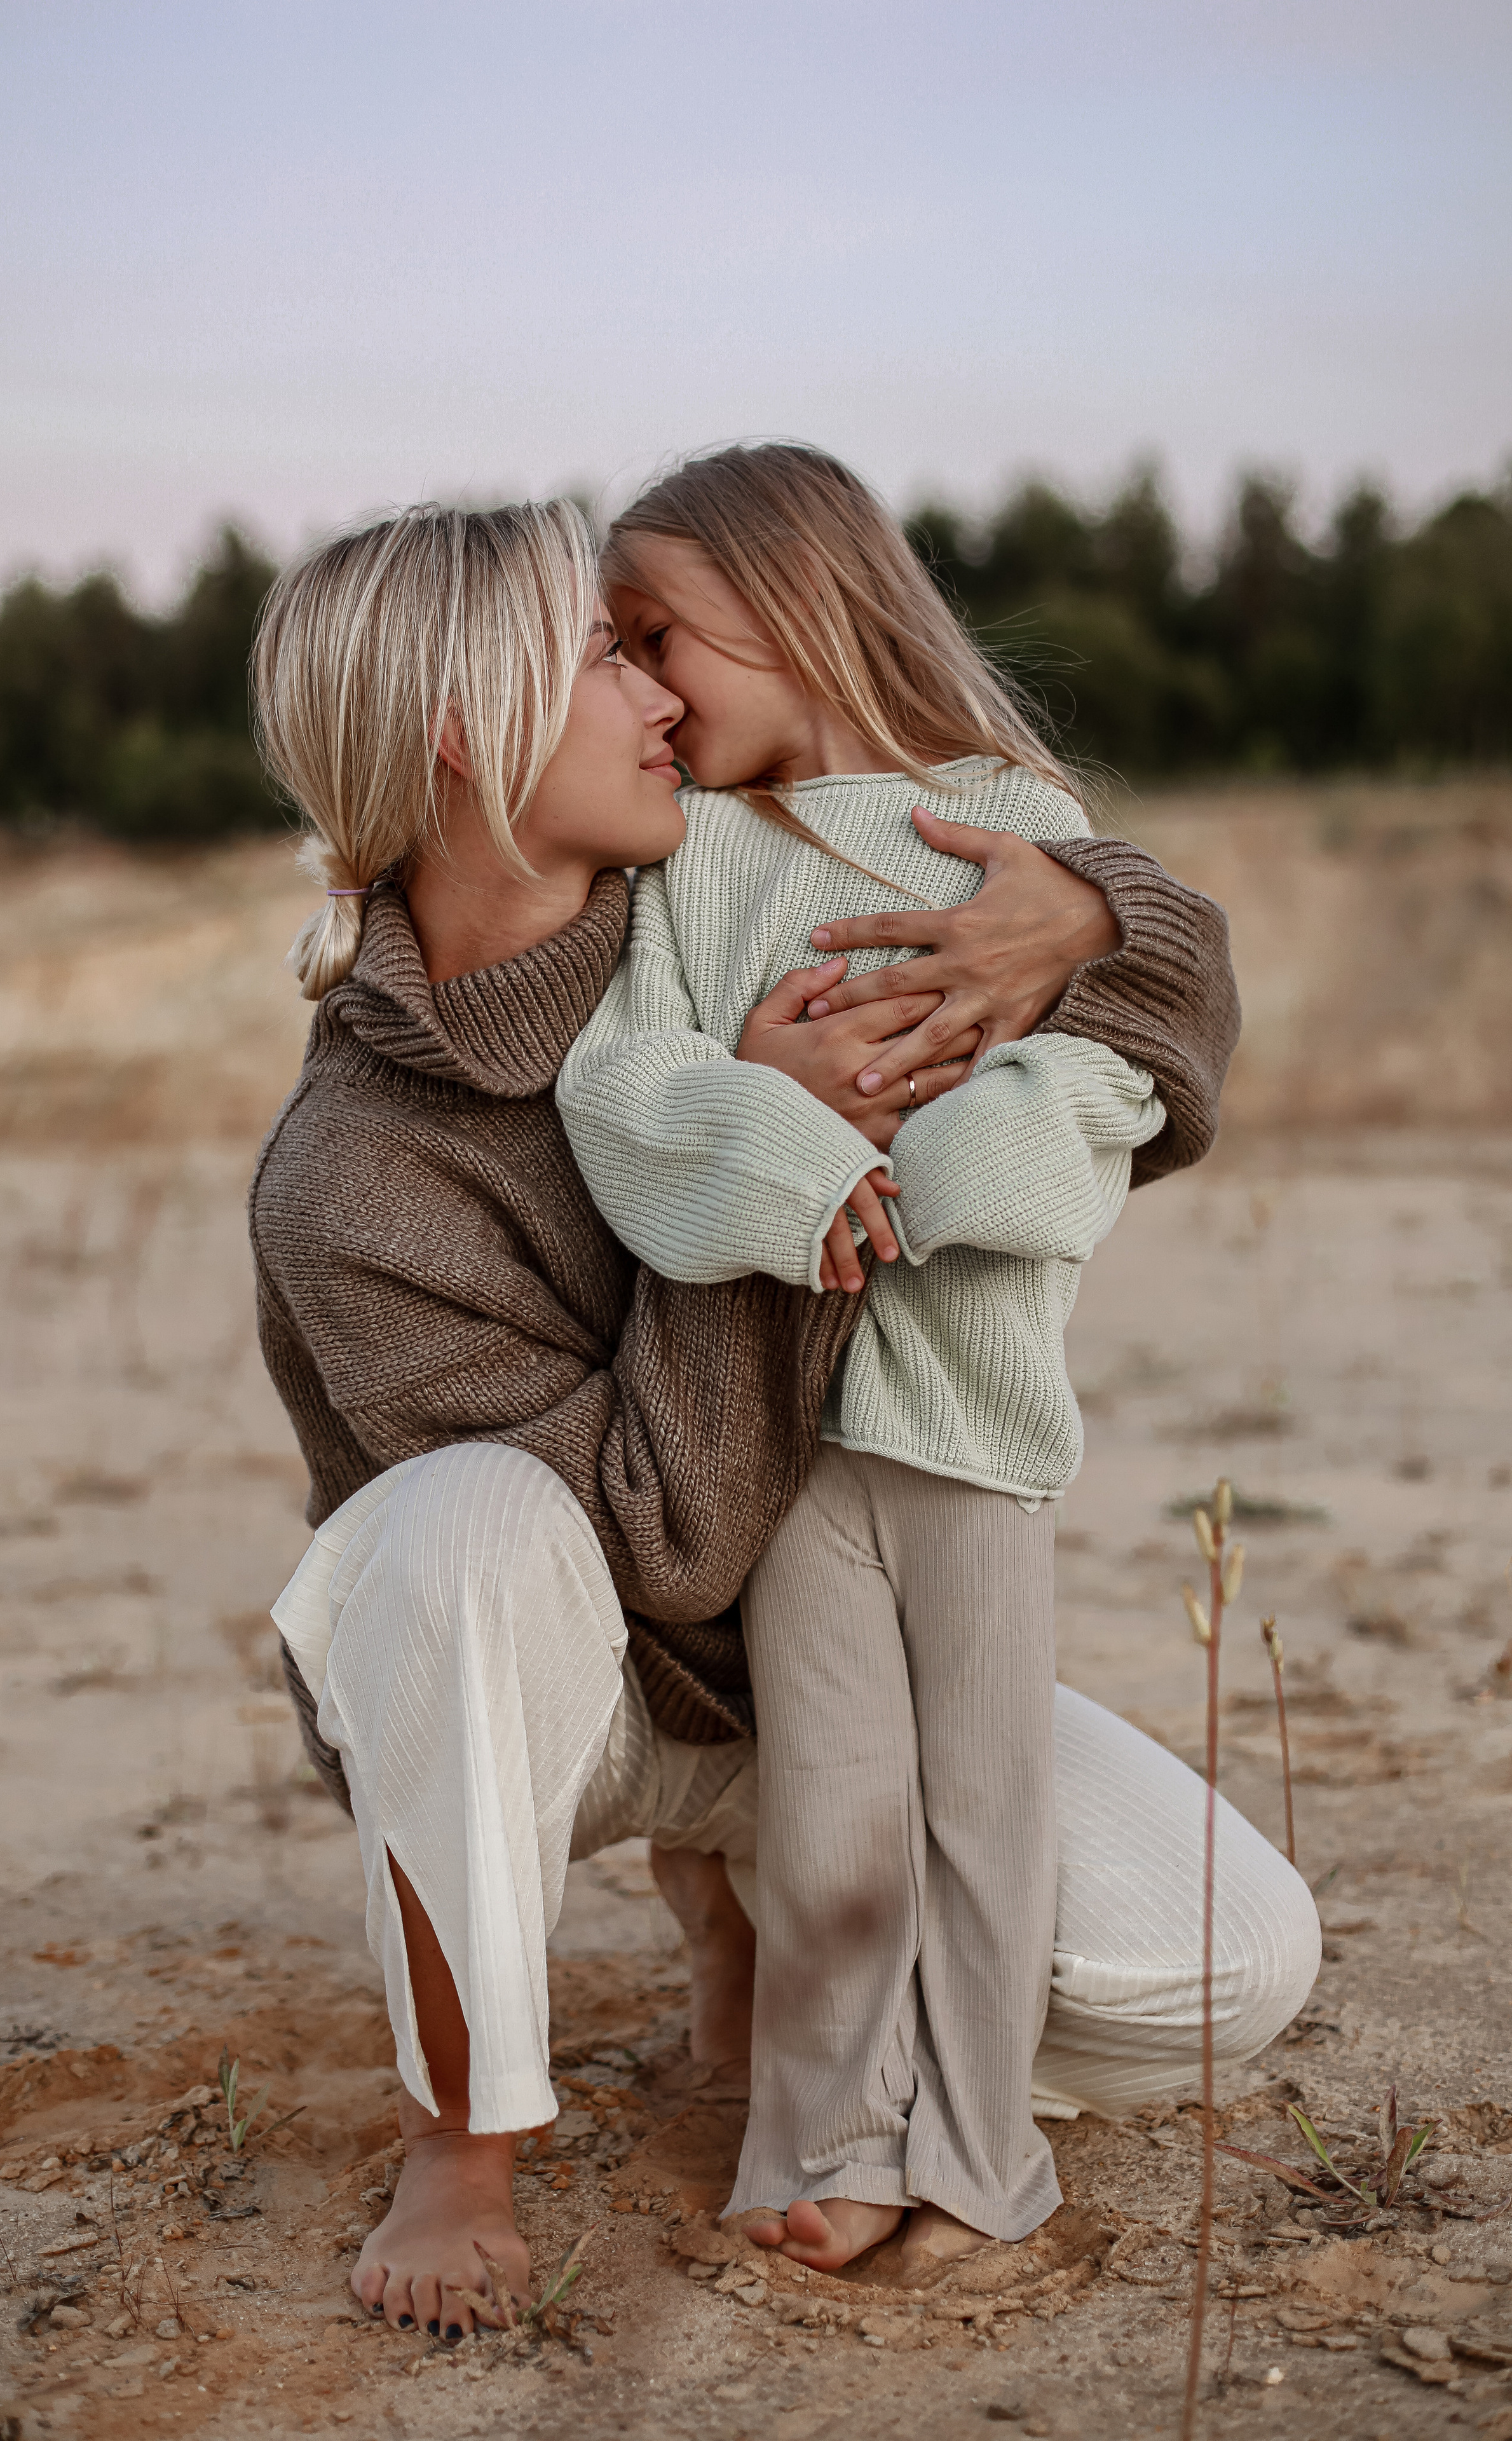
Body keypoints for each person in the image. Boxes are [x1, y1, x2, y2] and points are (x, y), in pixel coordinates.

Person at [247, 495, 1318, 2338]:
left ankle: (781, 1931)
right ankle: (462, 2134)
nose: (658, 694)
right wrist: (760, 1150)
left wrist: (1088, 909)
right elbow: (657, 1545)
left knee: (1224, 1966)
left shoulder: (731, 887)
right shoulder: (356, 1178)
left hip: (845, 1650)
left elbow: (1161, 992)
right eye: (604, 653)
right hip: (571, 1692)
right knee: (458, 1529)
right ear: (463, 725)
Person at [555, 441, 1311, 2277]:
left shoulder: (1010, 818)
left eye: (666, 638)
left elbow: (1111, 1064)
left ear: (798, 614)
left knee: (986, 1812)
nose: (648, 690)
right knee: (833, 1821)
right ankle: (828, 2132)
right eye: (624, 651)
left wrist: (956, 1165)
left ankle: (982, 2159)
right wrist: (803, 1155)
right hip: (796, 1427)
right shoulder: (689, 862)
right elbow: (625, 1087)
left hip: (976, 1421)